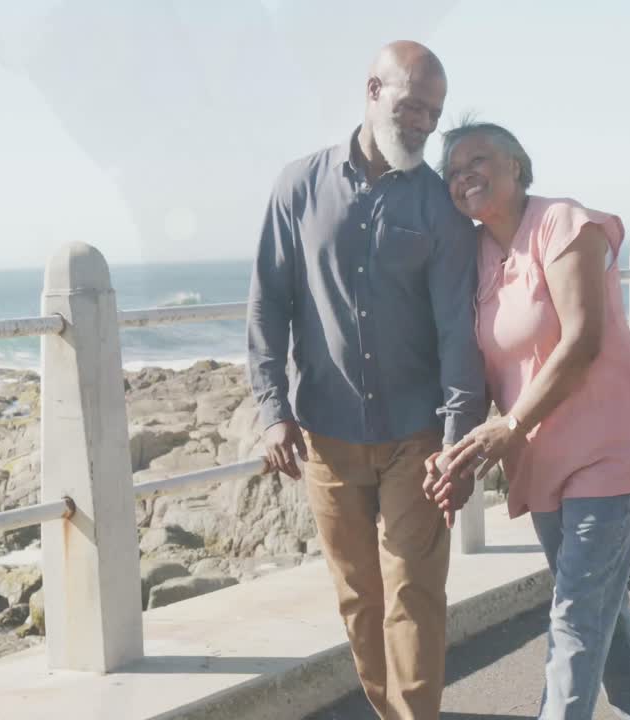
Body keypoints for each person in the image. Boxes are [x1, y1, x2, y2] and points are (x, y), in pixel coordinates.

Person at [246, 40, 485, 718]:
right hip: (326, 433)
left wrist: (459, 442)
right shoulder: (297, 187)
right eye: (412, 107)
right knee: (360, 602)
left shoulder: (441, 208)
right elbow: (269, 302)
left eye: (433, 115)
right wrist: (272, 409)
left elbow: (456, 333)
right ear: (373, 91)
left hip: (418, 437)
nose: (423, 126)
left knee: (413, 595)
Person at [427, 121, 630, 719]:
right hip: (541, 465)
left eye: (478, 160)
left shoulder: (563, 222)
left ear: (517, 165)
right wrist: (457, 450)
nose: (465, 177)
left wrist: (508, 427)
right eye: (454, 172)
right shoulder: (478, 254)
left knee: (575, 621)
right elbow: (483, 366)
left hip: (606, 451)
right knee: (597, 615)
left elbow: (582, 339)